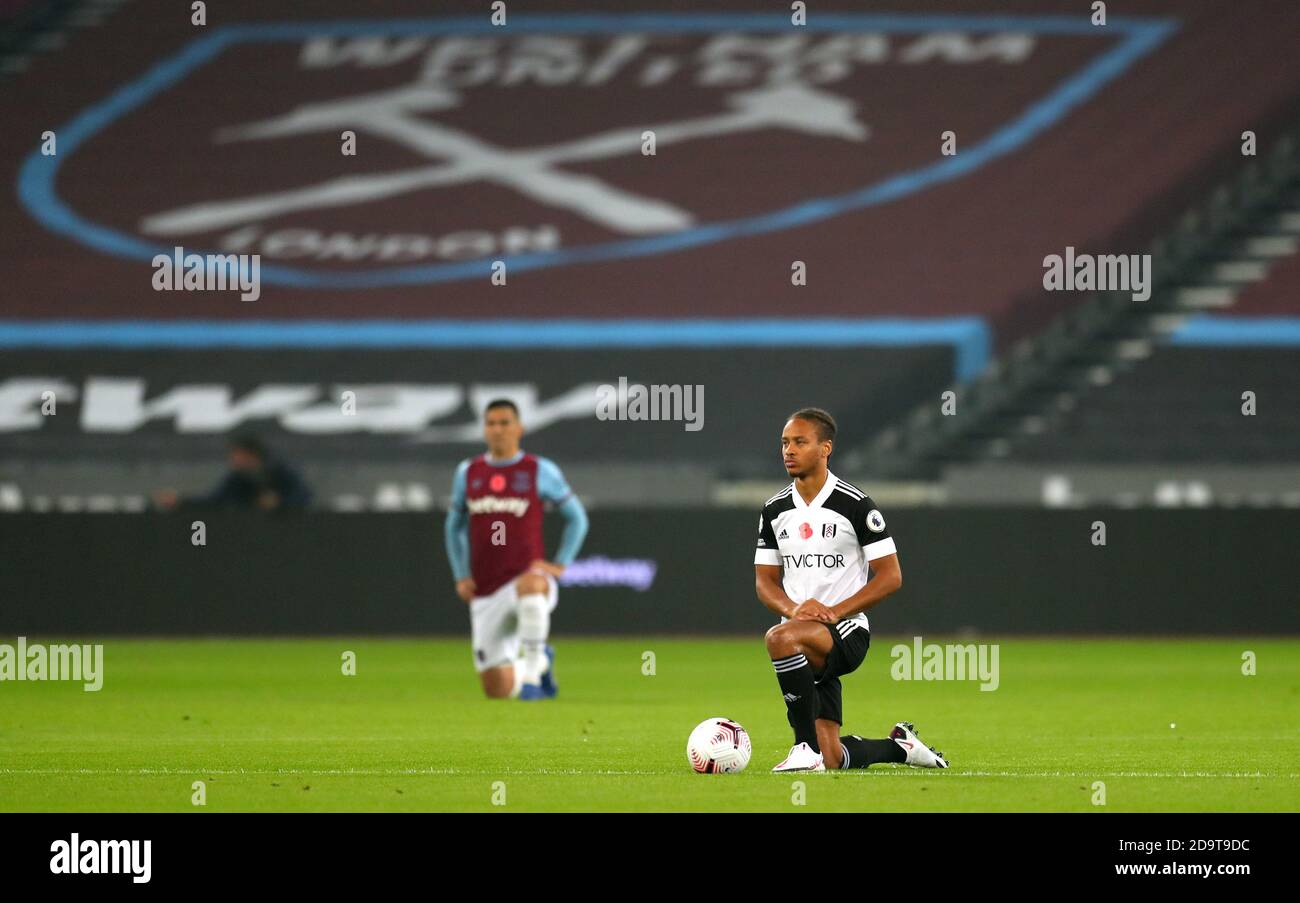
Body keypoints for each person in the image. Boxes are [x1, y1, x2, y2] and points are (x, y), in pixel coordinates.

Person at [754, 407, 949, 772]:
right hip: (801, 637)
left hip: (845, 632)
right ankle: (900, 748)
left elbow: (890, 575)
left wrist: (836, 610)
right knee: (833, 758)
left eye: (800, 442)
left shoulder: (855, 505)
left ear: (825, 448)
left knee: (777, 639)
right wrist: (794, 610)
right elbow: (764, 581)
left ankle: (802, 749)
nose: (788, 451)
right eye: (784, 443)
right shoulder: (775, 509)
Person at [444, 399, 588, 700]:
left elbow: (577, 518)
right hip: (485, 587)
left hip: (527, 576)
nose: (498, 430)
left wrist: (560, 565)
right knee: (497, 690)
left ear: (519, 428)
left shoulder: (539, 470)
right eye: (491, 423)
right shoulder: (469, 472)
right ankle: (541, 661)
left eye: (505, 422)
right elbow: (453, 525)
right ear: (484, 429)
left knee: (532, 584)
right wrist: (460, 575)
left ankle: (534, 676)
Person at [154, 435, 311, 512]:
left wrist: (280, 504)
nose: (233, 460)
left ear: (252, 456)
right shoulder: (236, 478)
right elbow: (214, 501)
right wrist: (180, 502)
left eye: (238, 456)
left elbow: (304, 495)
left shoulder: (281, 472)